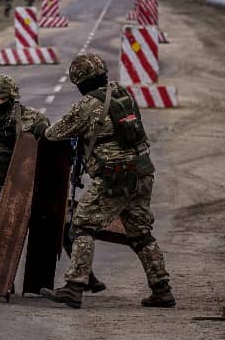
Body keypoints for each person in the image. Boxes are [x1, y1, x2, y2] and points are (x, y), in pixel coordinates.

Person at [39, 53, 175, 309]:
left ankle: (74, 286)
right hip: (142, 171)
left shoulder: (87, 105)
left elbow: (53, 133)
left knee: (82, 226)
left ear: (80, 82)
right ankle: (162, 290)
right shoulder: (123, 94)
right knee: (140, 234)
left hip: (114, 176)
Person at [0, 74, 106, 293]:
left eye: (4, 99)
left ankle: (87, 277)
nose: (0, 103)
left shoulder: (32, 118)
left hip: (37, 184)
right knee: (4, 235)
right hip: (3, 187)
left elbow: (55, 142)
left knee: (59, 230)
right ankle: (2, 282)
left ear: (12, 97)